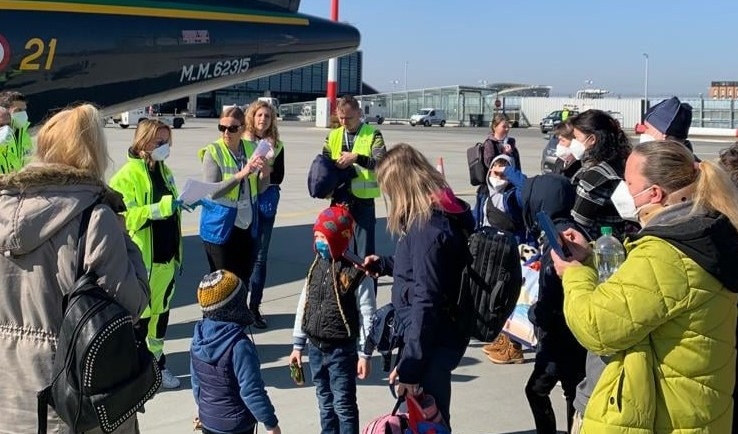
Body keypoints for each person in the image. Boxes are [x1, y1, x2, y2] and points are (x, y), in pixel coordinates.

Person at [552, 140, 738, 433]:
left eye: (628, 183)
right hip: (695, 410)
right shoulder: (705, 229)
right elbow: (646, 293)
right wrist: (590, 258)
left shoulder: (666, 253)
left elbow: (596, 326)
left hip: (665, 418)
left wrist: (573, 274)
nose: (623, 191)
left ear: (654, 193)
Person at [0, 103, 149, 433]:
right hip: (72, 394)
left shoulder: (3, 206)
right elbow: (133, 303)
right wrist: (125, 238)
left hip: (10, 393)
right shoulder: (94, 216)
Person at [363, 143, 473, 427]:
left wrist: (410, 366)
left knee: (429, 423)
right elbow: (428, 269)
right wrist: (386, 264)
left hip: (429, 340)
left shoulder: (427, 228)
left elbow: (427, 300)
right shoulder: (440, 213)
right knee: (429, 418)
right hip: (433, 336)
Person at [110, 119, 184, 389]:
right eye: (160, 142)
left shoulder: (165, 171)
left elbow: (170, 205)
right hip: (142, 262)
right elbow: (125, 218)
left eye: (167, 142)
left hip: (166, 259)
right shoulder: (125, 177)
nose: (165, 147)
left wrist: (181, 204)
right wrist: (159, 209)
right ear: (143, 142)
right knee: (138, 320)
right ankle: (134, 376)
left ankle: (157, 366)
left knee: (160, 316)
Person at [289, 205, 376, 434]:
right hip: (315, 348)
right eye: (316, 237)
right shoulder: (316, 265)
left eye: (324, 238)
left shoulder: (357, 273)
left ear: (339, 239)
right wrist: (298, 345)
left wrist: (365, 354)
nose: (319, 243)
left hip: (341, 351)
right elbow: (304, 305)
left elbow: (368, 315)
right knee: (324, 402)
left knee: (343, 405)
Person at [520, 174, 586, 434]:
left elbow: (552, 295)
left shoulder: (556, 241)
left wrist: (533, 314)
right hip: (574, 334)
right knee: (573, 392)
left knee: (537, 390)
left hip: (559, 337)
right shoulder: (574, 230)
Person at [191, 270, 281, 434]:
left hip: (209, 421)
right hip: (237, 425)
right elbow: (251, 391)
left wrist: (204, 410)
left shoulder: (198, 337)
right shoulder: (239, 346)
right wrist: (271, 424)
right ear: (234, 307)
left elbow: (197, 382)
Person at [199, 106, 265, 285]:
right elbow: (213, 191)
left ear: (242, 128)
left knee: (243, 279)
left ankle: (241, 304)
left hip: (246, 223)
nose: (226, 133)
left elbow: (260, 188)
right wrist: (242, 174)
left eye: (232, 128)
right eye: (222, 128)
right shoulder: (213, 151)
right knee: (222, 283)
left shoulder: (252, 148)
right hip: (220, 224)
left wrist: (265, 172)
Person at [322, 95, 386, 259]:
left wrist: (357, 158)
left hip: (363, 201)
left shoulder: (373, 134)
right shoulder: (332, 136)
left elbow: (381, 163)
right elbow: (324, 165)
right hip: (339, 199)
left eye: (348, 118)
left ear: (359, 113)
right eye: (341, 118)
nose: (344, 122)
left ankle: (365, 276)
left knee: (364, 254)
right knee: (337, 249)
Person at [243, 101, 284, 329]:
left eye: (267, 116)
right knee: (241, 255)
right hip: (242, 202)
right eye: (259, 115)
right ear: (252, 116)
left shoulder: (276, 145)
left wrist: (267, 170)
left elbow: (280, 176)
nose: (263, 120)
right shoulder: (241, 141)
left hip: (264, 203)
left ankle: (254, 307)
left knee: (260, 257)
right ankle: (238, 306)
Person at [567, 109, 632, 240]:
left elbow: (578, 225)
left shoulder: (595, 176)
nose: (573, 142)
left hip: (597, 244)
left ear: (591, 139)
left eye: (576, 137)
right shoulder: (620, 163)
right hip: (617, 240)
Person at [473, 115, 521, 227]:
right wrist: (504, 154)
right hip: (491, 187)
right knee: (483, 214)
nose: (507, 129)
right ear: (495, 127)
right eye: (504, 126)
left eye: (508, 126)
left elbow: (517, 165)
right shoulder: (490, 144)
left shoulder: (511, 144)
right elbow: (490, 164)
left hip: (508, 186)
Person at [0, 91, 32, 173]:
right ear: (4, 111)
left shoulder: (24, 136)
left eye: (24, 110)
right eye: (18, 110)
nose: (23, 113)